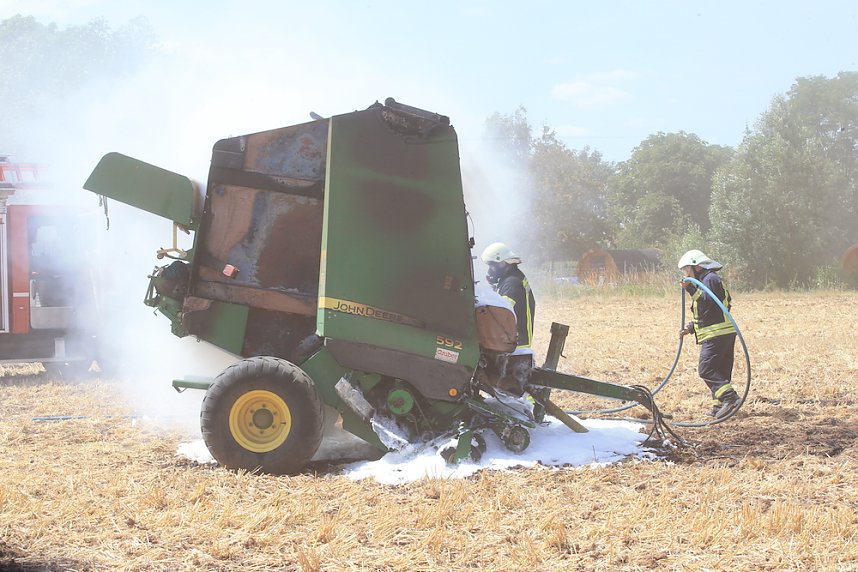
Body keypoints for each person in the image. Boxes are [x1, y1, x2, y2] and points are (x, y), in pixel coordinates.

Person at [678, 249, 740, 418]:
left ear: (696, 267)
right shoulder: (708, 280)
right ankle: (718, 406)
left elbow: (708, 302)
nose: (686, 274)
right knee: (720, 371)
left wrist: (690, 288)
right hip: (722, 331)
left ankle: (730, 398)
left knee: (706, 370)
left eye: (687, 270)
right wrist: (691, 328)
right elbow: (708, 312)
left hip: (717, 334)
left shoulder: (710, 279)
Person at [480, 242, 536, 395]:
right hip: (519, 337)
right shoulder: (512, 278)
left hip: (517, 341)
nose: (490, 270)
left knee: (518, 385)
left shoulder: (511, 283)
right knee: (517, 383)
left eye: (493, 266)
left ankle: (528, 413)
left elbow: (502, 312)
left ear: (503, 263)